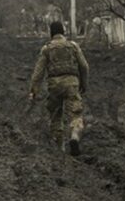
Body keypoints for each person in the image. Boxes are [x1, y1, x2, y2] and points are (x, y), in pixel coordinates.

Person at [28, 21, 89, 156]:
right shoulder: (73, 46)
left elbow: (38, 73)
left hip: (54, 85)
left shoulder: (47, 49)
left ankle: (59, 148)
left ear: (51, 33)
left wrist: (34, 90)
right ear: (63, 32)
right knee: (76, 113)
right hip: (72, 83)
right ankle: (74, 136)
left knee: (56, 115)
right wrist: (83, 84)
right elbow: (84, 66)